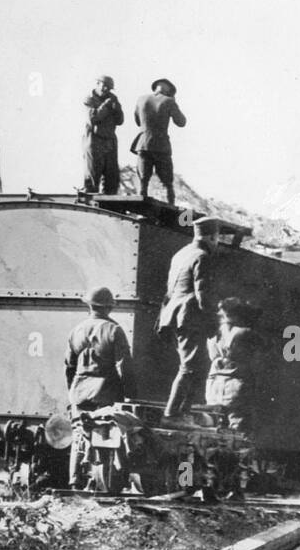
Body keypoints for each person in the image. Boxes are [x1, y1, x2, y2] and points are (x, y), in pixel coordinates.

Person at [65, 286, 136, 485]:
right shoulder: (114, 330)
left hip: (79, 393)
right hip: (106, 392)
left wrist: (72, 393)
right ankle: (111, 480)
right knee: (108, 433)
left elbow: (69, 367)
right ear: (109, 308)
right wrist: (130, 395)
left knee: (80, 433)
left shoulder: (76, 330)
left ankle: (75, 479)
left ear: (89, 305)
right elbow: (124, 366)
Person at [158, 216, 219, 418]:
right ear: (212, 236)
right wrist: (214, 323)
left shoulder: (180, 254)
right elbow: (203, 294)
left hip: (172, 316)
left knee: (195, 365)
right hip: (189, 318)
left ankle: (184, 409)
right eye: (216, 238)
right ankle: (172, 413)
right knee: (190, 366)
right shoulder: (202, 256)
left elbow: (170, 290)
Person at [206, 297, 265, 431]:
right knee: (238, 426)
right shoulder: (246, 333)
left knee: (215, 424)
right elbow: (262, 352)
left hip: (214, 385)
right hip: (237, 384)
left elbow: (212, 357)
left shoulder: (213, 335)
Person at [133, 77, 187, 206]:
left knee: (143, 180)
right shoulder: (169, 101)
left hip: (143, 143)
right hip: (161, 145)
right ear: (168, 89)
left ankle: (142, 205)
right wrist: (174, 102)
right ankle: (171, 206)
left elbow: (137, 120)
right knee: (167, 182)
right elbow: (181, 122)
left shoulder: (141, 99)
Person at [83, 75, 125, 195]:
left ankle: (111, 207)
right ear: (97, 84)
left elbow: (120, 121)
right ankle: (90, 205)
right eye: (104, 86)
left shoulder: (113, 99)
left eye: (109, 88)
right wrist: (106, 105)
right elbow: (93, 118)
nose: (106, 89)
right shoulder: (89, 99)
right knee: (92, 176)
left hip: (110, 141)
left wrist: (117, 108)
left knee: (112, 178)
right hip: (94, 141)